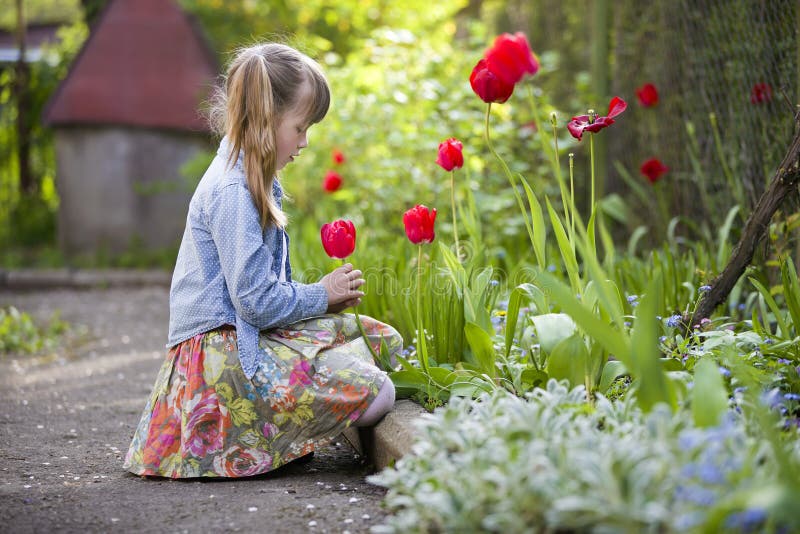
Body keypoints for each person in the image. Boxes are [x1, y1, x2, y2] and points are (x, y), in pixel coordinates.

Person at [124, 42, 401, 478]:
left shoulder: (250, 176)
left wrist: (319, 304)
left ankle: (289, 421)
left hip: (242, 340)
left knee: (379, 341)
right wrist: (320, 295)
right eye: (301, 127)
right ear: (267, 121)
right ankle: (267, 431)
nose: (305, 141)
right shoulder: (233, 191)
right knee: (379, 393)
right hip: (222, 363)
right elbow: (254, 302)